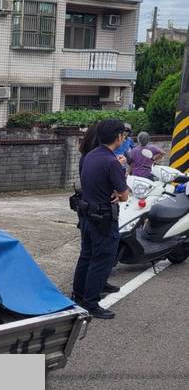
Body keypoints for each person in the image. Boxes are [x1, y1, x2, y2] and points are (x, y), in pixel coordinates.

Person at [72, 118, 130, 320]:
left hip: (87, 214)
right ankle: (91, 303)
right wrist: (118, 185)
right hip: (104, 218)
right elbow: (124, 195)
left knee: (86, 255)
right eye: (123, 134)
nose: (124, 138)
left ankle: (78, 296)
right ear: (118, 137)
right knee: (102, 259)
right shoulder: (111, 161)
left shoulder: (90, 156)